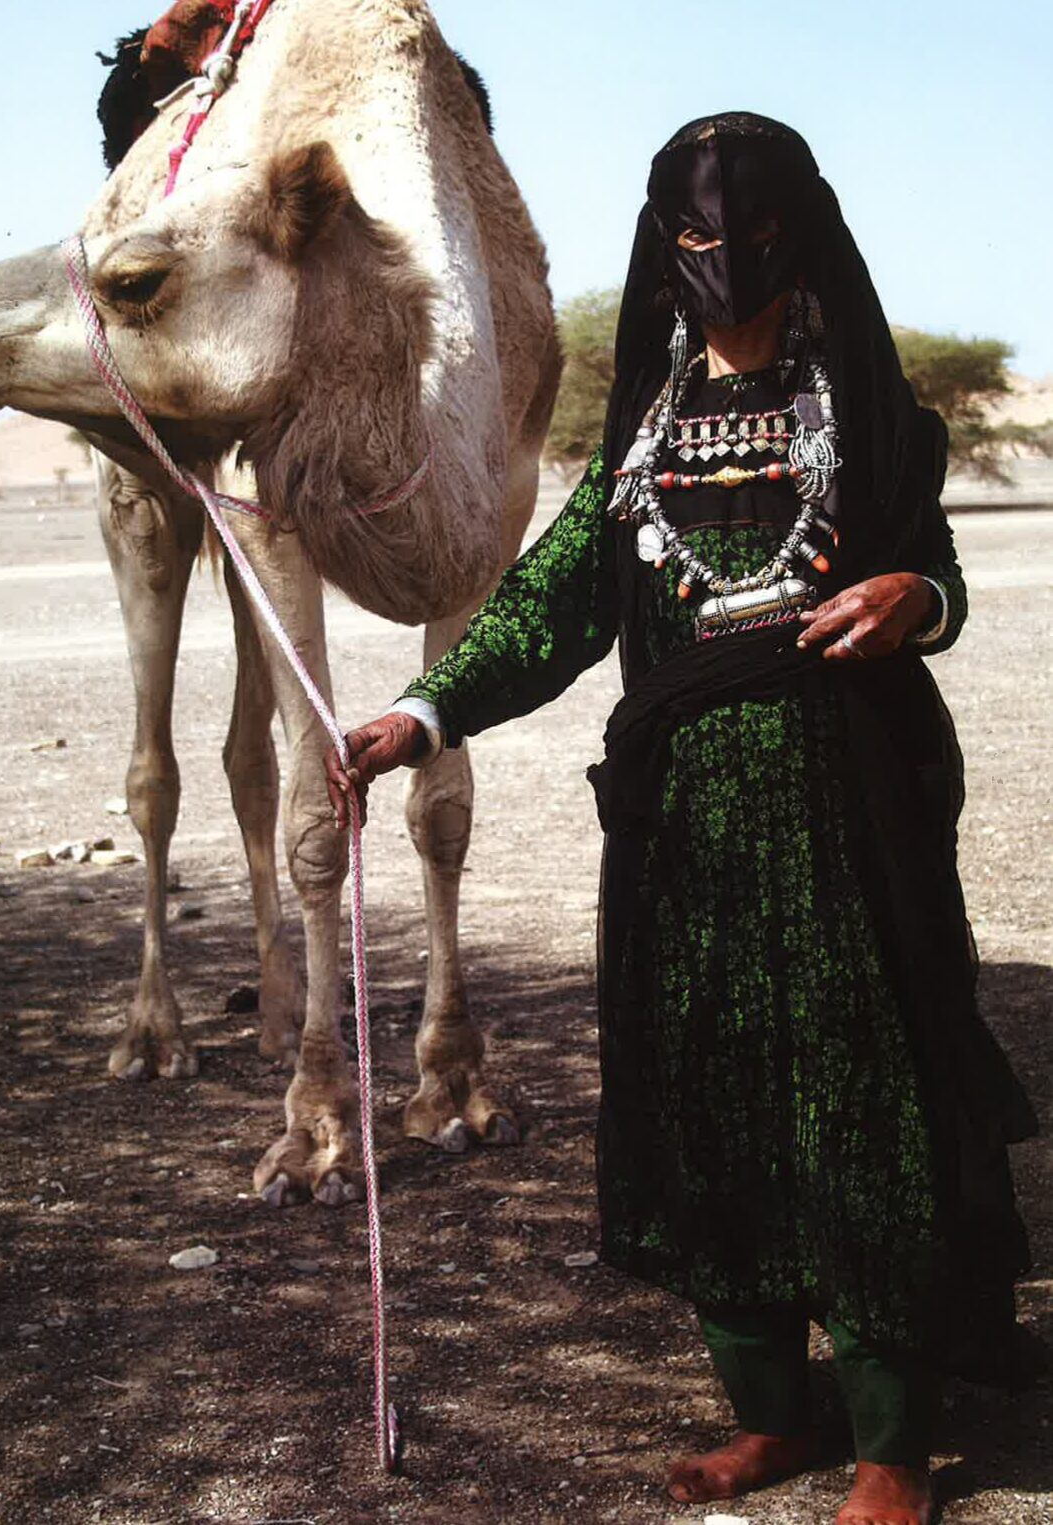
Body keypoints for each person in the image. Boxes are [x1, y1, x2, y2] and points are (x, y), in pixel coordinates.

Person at [325, 114, 1042, 1525]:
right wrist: (425, 716)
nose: (723, 260)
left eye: (753, 235)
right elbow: (551, 607)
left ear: (806, 236)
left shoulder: (882, 422)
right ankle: (775, 1419)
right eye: (696, 236)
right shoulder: (642, 440)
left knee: (864, 1113)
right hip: (687, 838)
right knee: (714, 1112)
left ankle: (897, 1442)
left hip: (853, 819)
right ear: (665, 244)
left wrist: (916, 600)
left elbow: (939, 577)